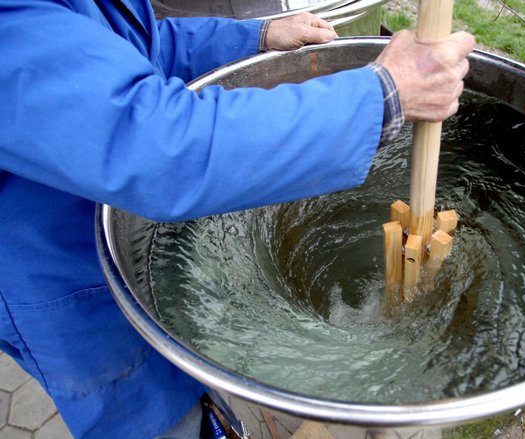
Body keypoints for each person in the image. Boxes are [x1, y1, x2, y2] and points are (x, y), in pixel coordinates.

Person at [0, 0, 475, 437]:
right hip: (56, 281)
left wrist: (254, 39)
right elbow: (155, 145)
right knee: (153, 414)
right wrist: (382, 96)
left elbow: (133, 45)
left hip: (88, 231)